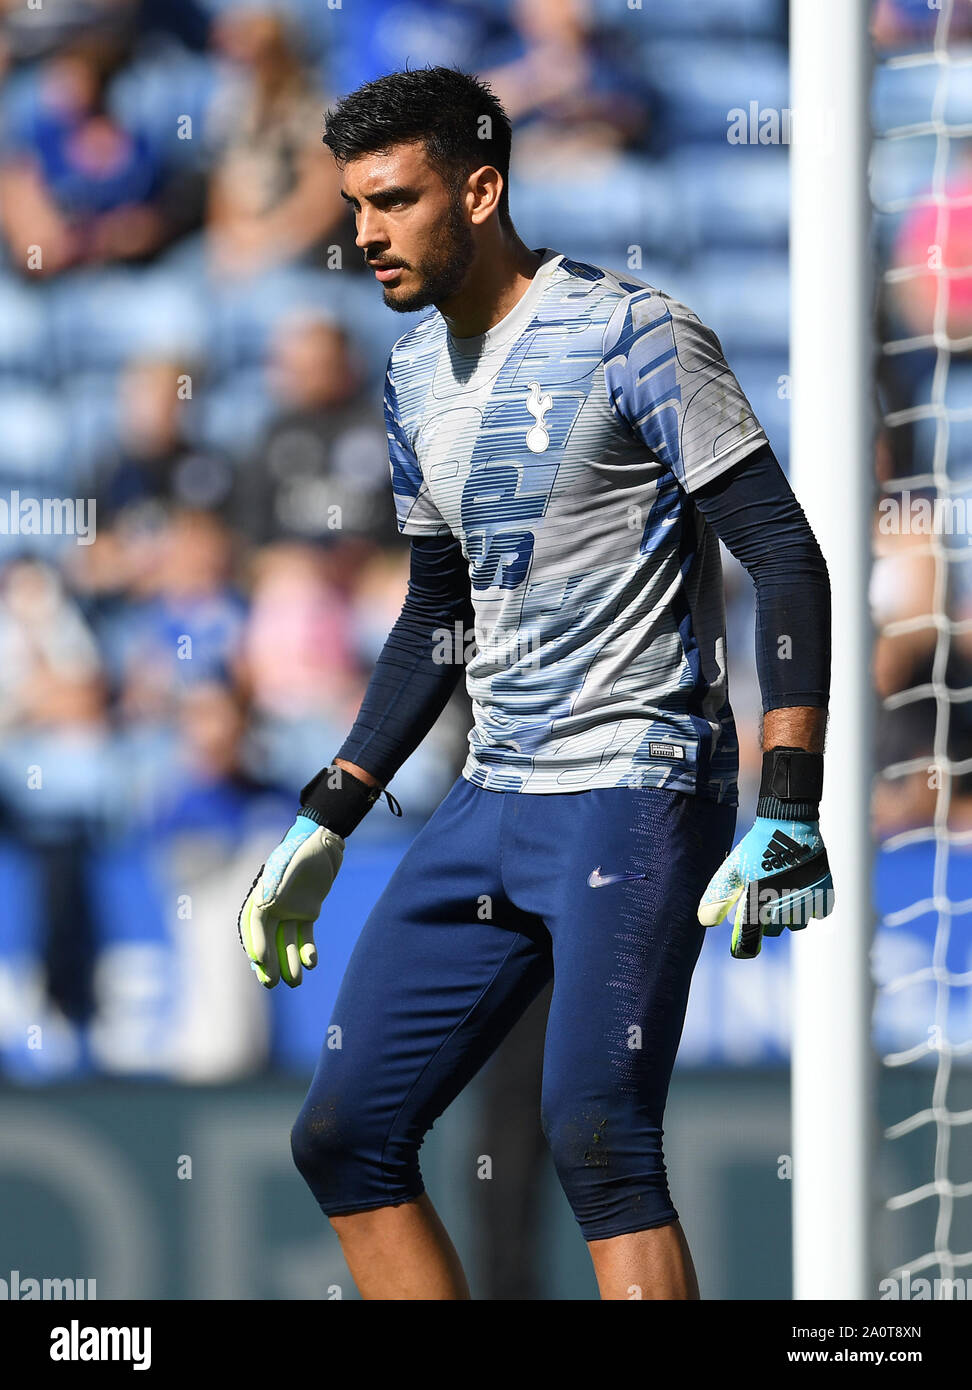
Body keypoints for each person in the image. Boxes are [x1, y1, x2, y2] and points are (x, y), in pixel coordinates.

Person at [237, 67, 833, 1301]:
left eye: (393, 202)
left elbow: (783, 553)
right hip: (491, 795)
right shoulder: (408, 378)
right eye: (354, 207)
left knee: (600, 1137)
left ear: (482, 188)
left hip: (637, 780)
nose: (363, 236)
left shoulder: (635, 332)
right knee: (343, 1136)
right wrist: (327, 811)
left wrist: (789, 796)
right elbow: (433, 617)